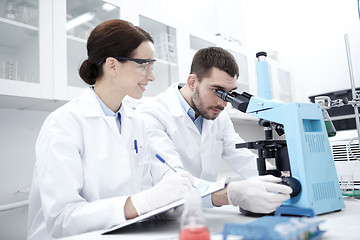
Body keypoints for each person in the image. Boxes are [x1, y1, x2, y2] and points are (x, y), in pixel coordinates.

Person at [27, 19, 193, 240]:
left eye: (152, 66)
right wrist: (144, 201)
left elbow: (140, 195)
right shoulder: (64, 123)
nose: (151, 76)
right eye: (144, 65)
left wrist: (171, 204)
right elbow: (62, 219)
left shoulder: (135, 121)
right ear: (112, 65)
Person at [136, 46, 292, 213]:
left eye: (229, 93)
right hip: (165, 219)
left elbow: (241, 155)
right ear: (192, 82)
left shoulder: (219, 116)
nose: (223, 103)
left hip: (204, 213)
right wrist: (230, 194)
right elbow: (173, 178)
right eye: (217, 91)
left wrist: (278, 182)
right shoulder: (151, 113)